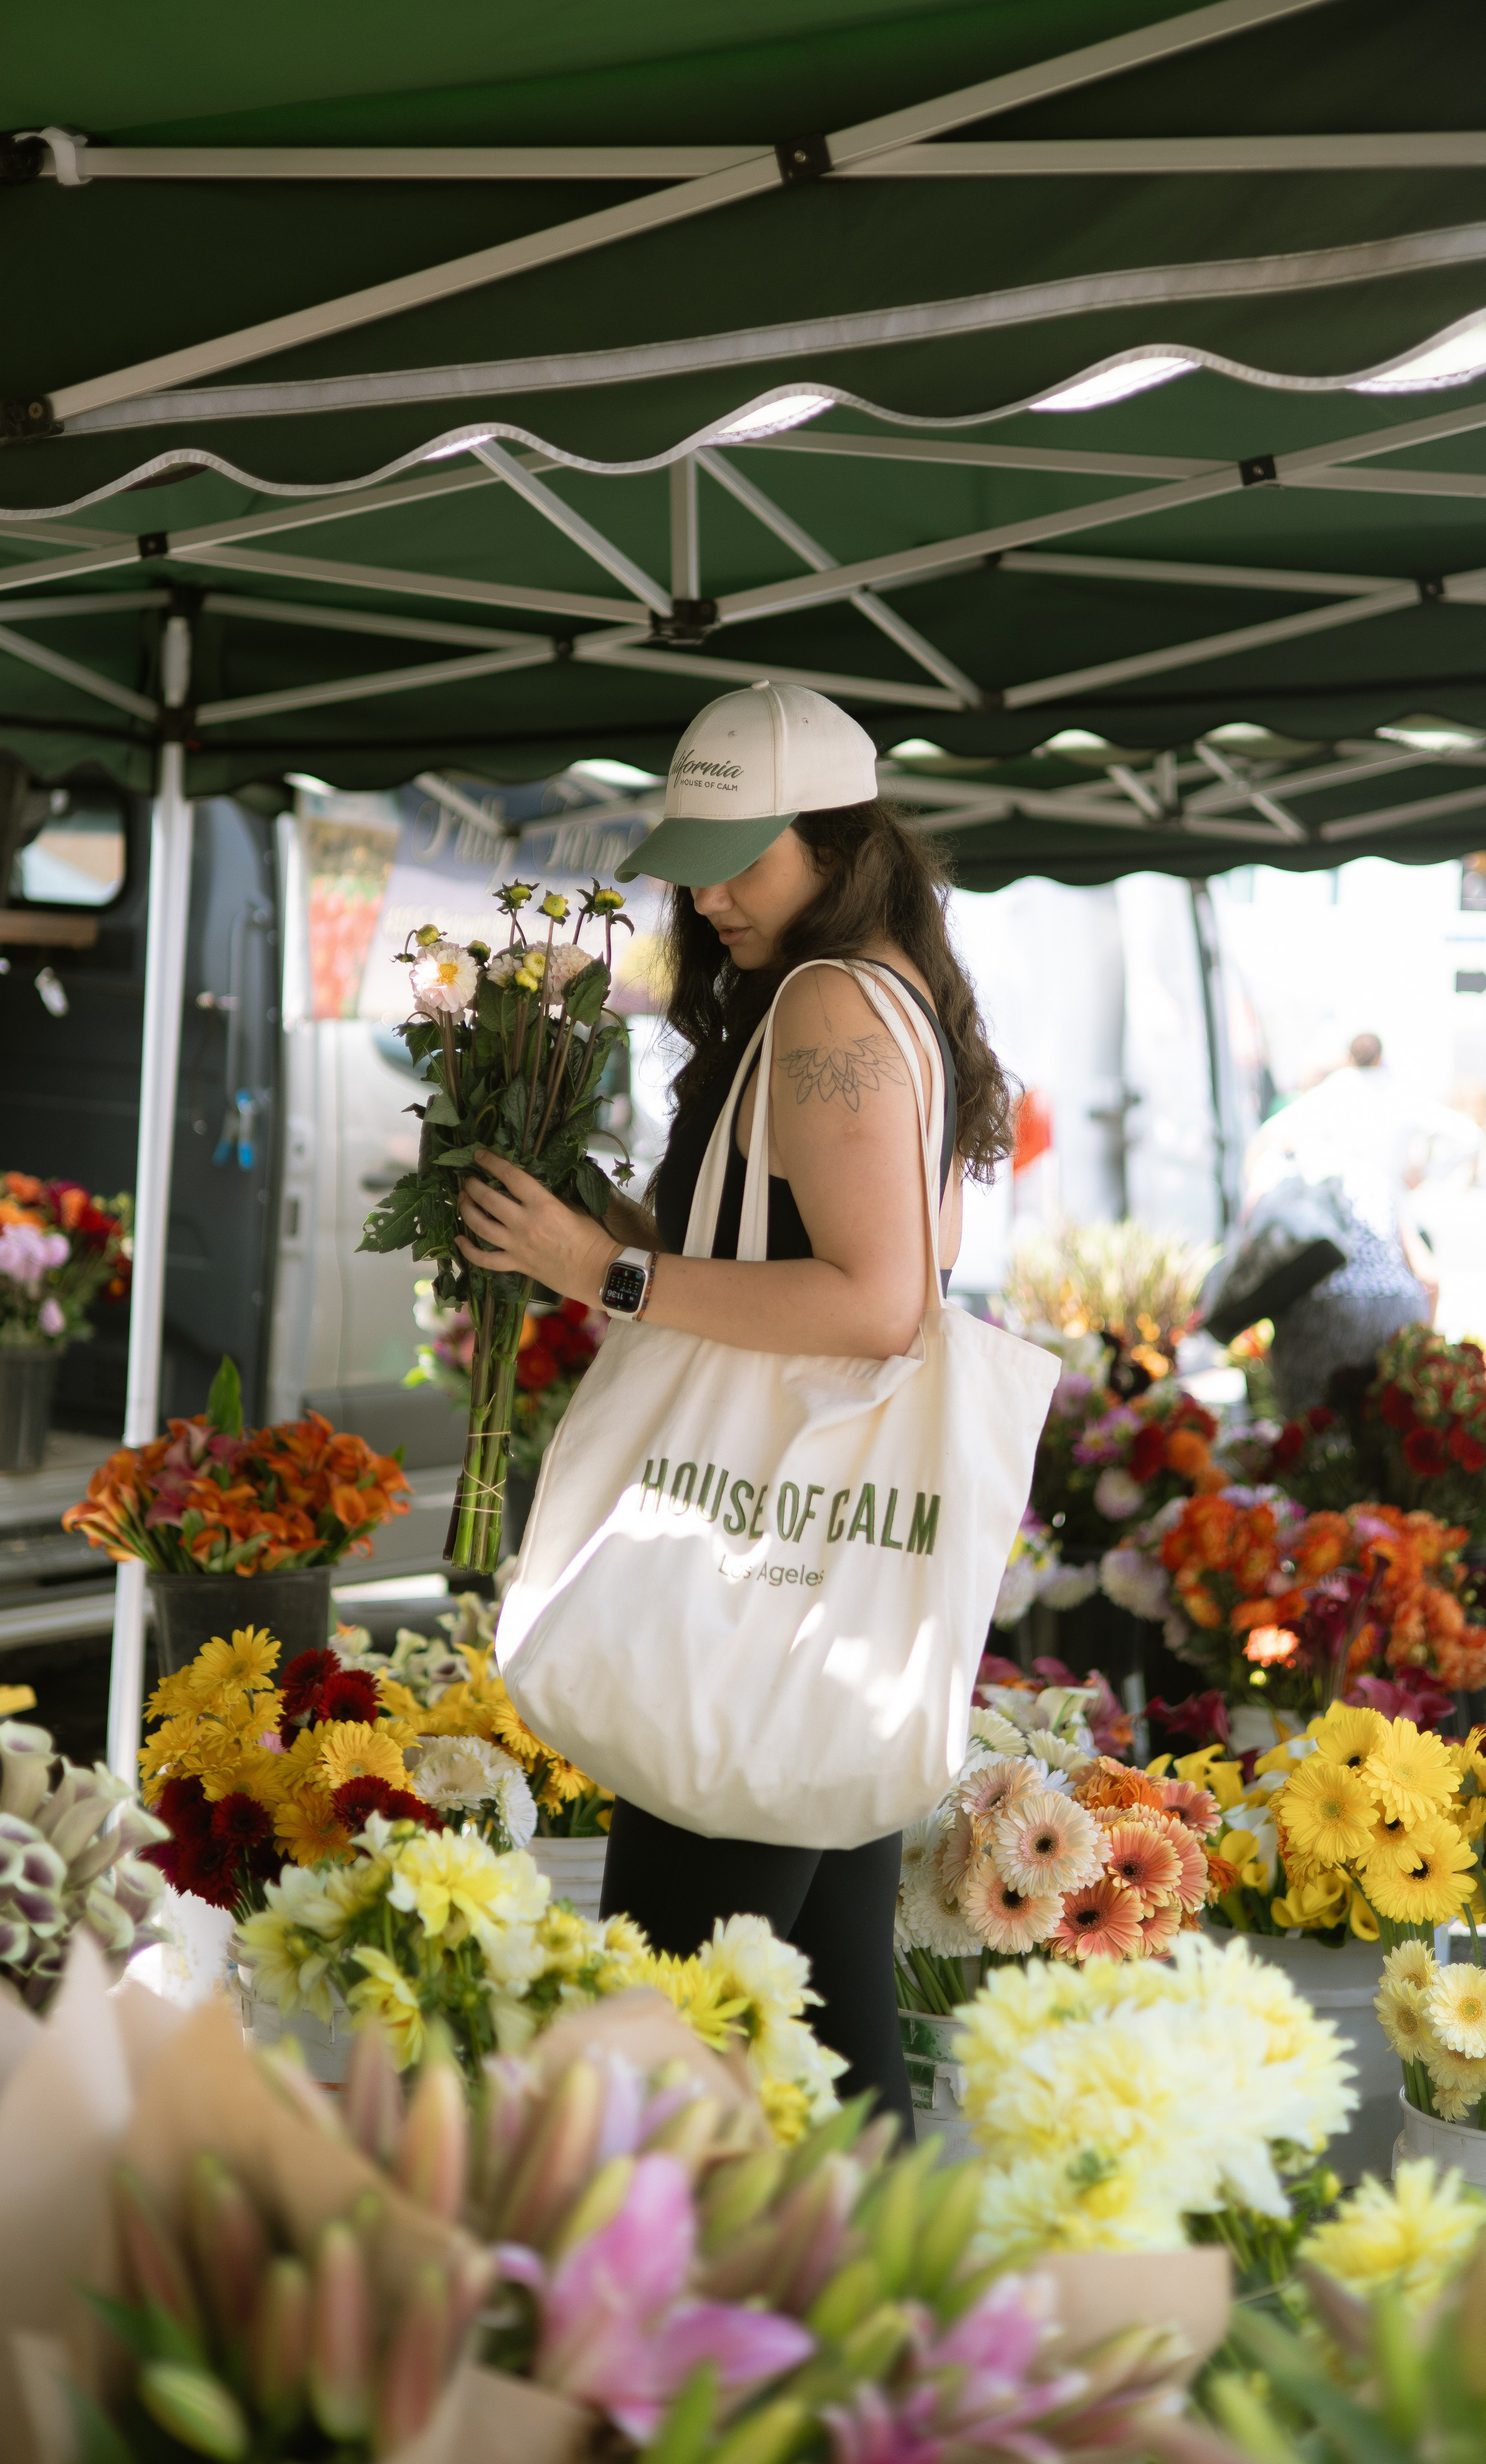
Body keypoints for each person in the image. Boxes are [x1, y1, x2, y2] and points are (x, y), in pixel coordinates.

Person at [454, 681, 1014, 2131]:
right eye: (692, 855)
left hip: (755, 1573)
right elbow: (798, 1260)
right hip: (822, 1582)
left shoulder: (828, 1002)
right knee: (823, 2030)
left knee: (684, 2038)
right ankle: (893, 2333)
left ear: (839, 840)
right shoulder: (896, 989)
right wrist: (601, 1224)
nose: (705, 894)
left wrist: (602, 1267)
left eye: (741, 855)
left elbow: (872, 1300)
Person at [1241, 1030, 1478, 1415]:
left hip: (1323, 1262)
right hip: (1391, 1247)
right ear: (1381, 1058)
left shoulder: (1326, 1102)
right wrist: (1424, 1173)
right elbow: (1468, 1137)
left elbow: (1267, 1140)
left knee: (1308, 1424)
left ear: (1349, 1059)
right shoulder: (1400, 1100)